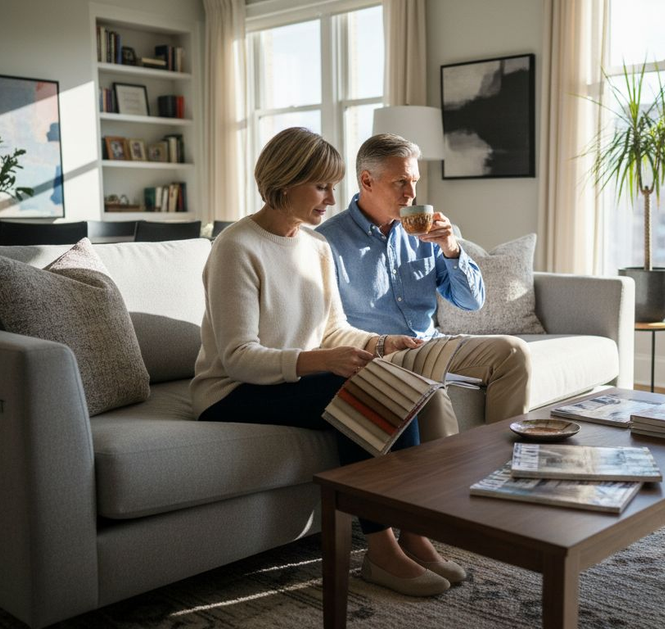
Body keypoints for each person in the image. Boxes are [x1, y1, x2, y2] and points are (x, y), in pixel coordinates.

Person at [190, 127, 465, 597]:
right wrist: (323, 361)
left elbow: (335, 329)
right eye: (321, 185)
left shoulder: (316, 246)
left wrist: (383, 345)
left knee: (396, 382)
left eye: (333, 185)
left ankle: (413, 532)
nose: (331, 197)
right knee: (363, 391)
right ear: (283, 181)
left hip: (288, 381)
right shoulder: (236, 247)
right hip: (232, 392)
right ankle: (380, 552)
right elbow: (237, 358)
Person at [317, 134, 531, 436]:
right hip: (379, 353)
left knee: (513, 352)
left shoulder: (426, 234)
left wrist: (451, 248)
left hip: (429, 342)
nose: (411, 194)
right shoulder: (327, 242)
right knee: (430, 392)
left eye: (414, 182)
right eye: (400, 182)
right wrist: (380, 344)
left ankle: (498, 459)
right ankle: (443, 478)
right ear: (367, 181)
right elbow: (325, 329)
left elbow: (472, 301)